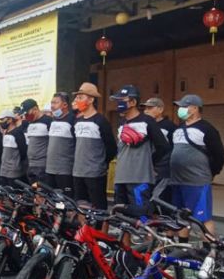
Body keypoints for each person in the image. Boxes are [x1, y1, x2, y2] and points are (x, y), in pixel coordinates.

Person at [170, 94, 224, 238]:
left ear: (195, 108)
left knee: (203, 218)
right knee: (182, 216)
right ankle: (182, 248)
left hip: (197, 182)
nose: (180, 110)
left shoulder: (207, 129)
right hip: (177, 181)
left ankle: (209, 252)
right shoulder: (178, 130)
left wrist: (211, 173)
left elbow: (220, 155)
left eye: (183, 106)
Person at [110, 85, 169, 216]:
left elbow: (163, 147)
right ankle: (125, 237)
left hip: (139, 178)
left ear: (133, 102)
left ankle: (146, 236)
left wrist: (151, 162)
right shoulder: (122, 122)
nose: (118, 103)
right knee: (121, 215)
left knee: (141, 215)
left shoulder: (147, 121)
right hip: (121, 178)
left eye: (122, 100)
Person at [71, 82, 117, 210]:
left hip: (95, 173)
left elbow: (111, 147)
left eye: (80, 97)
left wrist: (100, 163)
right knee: (80, 206)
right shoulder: (77, 121)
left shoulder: (101, 121)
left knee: (98, 207)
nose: (76, 100)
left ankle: (99, 230)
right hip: (78, 172)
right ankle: (84, 230)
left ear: (91, 99)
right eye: (76, 97)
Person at [141, 97, 176, 201]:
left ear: (160, 109)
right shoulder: (143, 125)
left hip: (162, 170)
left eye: (150, 108)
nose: (146, 111)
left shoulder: (170, 127)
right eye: (145, 108)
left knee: (159, 199)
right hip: (144, 169)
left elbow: (172, 149)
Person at [45, 92, 76, 197]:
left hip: (65, 170)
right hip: (50, 169)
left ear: (65, 105)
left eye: (55, 103)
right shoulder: (53, 121)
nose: (52, 106)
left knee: (66, 201)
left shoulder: (73, 120)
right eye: (51, 103)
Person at [21, 98, 52, 184]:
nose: (26, 116)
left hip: (42, 165)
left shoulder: (48, 121)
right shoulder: (29, 123)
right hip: (30, 165)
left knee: (42, 193)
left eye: (27, 113)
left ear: (35, 109)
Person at [0, 109, 28, 186]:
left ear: (10, 119)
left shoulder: (18, 133)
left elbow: (23, 152)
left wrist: (16, 163)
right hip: (3, 171)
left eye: (2, 119)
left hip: (14, 172)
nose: (1, 122)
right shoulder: (6, 133)